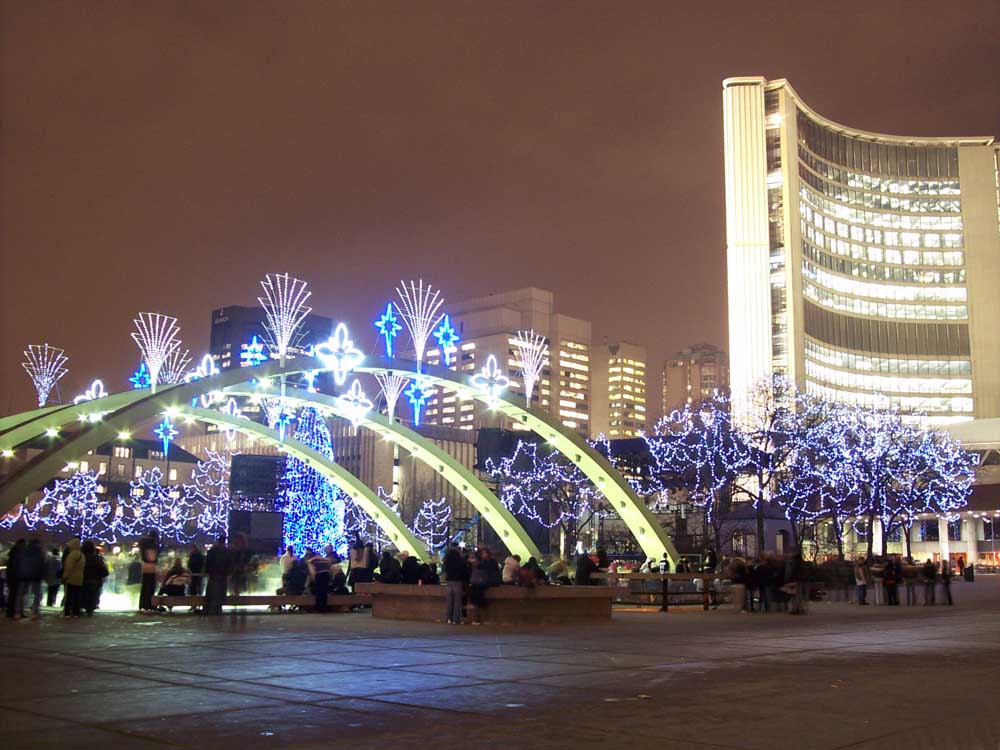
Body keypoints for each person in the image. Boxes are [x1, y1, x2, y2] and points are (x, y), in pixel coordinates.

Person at [468, 547, 501, 624]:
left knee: (477, 591)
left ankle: (477, 610)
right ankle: (478, 609)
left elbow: (489, 571)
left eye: (484, 553)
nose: (483, 555)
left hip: (488, 581)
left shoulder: (490, 562)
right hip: (483, 581)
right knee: (476, 590)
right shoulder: (484, 562)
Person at [17, 538, 45, 620]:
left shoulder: (25, 551)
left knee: (22, 594)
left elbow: (21, 563)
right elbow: (41, 564)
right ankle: (34, 612)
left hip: (25, 575)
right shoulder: (39, 552)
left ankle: (19, 611)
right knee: (37, 594)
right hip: (36, 576)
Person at [81, 541, 109, 616]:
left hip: (82, 581)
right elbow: (104, 572)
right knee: (92, 597)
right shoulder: (97, 559)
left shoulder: (81, 558)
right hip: (94, 582)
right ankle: (90, 610)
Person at [442, 543, 468, 624]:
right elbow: (463, 570)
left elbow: (444, 569)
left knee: (449, 600)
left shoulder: (446, 558)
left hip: (449, 580)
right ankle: (456, 619)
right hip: (457, 581)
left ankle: (448, 618)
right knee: (457, 601)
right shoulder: (459, 558)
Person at [204, 537, 229, 614]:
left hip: (213, 575)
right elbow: (228, 563)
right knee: (220, 593)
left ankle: (210, 608)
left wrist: (207, 571)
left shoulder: (212, 551)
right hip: (222, 575)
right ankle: (218, 608)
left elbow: (208, 563)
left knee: (212, 592)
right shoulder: (226, 551)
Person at [61, 538, 85, 618]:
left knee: (69, 596)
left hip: (71, 578)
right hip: (79, 578)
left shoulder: (72, 555)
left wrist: (65, 577)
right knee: (77, 596)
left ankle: (67, 613)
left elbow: (69, 568)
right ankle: (76, 613)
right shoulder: (82, 555)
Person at [138, 532, 160, 613]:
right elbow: (152, 558)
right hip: (151, 568)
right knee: (150, 588)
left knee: (145, 588)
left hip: (146, 568)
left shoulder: (145, 545)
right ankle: (149, 605)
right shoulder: (153, 546)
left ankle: (144, 605)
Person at [4, 539, 25, 619]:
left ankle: (10, 611)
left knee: (12, 595)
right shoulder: (17, 553)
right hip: (15, 576)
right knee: (14, 595)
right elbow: (16, 566)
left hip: (11, 576)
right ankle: (11, 612)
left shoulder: (13, 552)